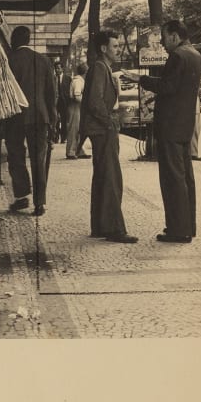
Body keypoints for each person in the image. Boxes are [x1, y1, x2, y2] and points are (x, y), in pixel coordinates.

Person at [139, 20, 201, 244]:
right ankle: (187, 226)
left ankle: (177, 229)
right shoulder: (195, 54)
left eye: (164, 38)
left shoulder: (177, 56)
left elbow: (168, 86)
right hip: (184, 126)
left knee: (172, 179)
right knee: (186, 178)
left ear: (175, 36)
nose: (162, 43)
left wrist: (142, 80)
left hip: (170, 126)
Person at [79, 32, 137, 244]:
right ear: (103, 48)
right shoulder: (100, 68)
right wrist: (110, 122)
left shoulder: (101, 68)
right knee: (112, 178)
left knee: (104, 176)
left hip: (100, 129)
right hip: (103, 130)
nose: (118, 49)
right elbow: (95, 101)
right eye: (114, 46)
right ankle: (114, 229)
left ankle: (100, 226)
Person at [2, 25, 57, 217]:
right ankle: (40, 203)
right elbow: (52, 93)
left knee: (16, 156)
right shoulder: (43, 60)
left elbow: (4, 93)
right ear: (29, 40)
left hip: (14, 117)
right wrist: (52, 118)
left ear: (14, 40)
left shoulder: (8, 60)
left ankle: (21, 195)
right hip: (39, 117)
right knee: (38, 159)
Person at [65, 63, 90, 159]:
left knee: (79, 129)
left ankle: (79, 150)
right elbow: (77, 96)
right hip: (75, 107)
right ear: (85, 72)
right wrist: (86, 102)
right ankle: (71, 151)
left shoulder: (80, 80)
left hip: (78, 107)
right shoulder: (78, 81)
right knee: (73, 129)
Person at [53, 59, 70, 143]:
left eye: (59, 68)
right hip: (55, 103)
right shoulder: (53, 79)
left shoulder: (68, 78)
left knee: (64, 120)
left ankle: (64, 138)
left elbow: (69, 91)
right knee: (55, 120)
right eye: (56, 68)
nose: (57, 70)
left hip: (64, 103)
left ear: (62, 69)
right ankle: (55, 137)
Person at [190, 94, 201, 161]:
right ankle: (193, 153)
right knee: (195, 129)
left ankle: (193, 152)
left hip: (195, 103)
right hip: (193, 104)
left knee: (197, 128)